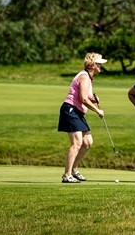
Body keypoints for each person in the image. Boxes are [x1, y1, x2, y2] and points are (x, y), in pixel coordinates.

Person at [57, 52, 107, 183]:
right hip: (70, 110)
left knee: (87, 142)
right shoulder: (84, 76)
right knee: (77, 142)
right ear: (93, 65)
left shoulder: (89, 78)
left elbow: (85, 96)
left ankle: (74, 170)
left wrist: (93, 99)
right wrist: (97, 110)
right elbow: (83, 98)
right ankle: (66, 175)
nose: (101, 66)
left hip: (78, 112)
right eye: (99, 64)